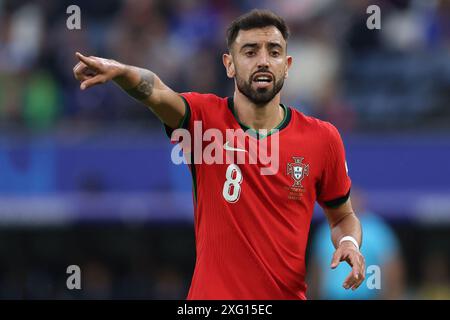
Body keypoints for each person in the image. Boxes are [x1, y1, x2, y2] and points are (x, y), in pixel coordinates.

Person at [72, 9, 365, 300]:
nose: (263, 61)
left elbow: (342, 217)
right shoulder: (203, 120)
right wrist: (123, 72)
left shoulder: (322, 138)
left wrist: (350, 242)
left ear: (287, 65)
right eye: (250, 52)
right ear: (230, 64)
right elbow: (157, 92)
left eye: (274, 52)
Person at [309, 188, 405, 300]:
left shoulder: (377, 229)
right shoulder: (326, 230)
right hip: (332, 295)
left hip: (367, 295)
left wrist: (392, 295)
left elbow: (391, 266)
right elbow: (317, 267)